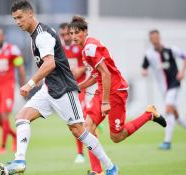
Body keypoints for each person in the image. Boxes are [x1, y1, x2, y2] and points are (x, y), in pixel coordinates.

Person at [8, 1, 119, 175]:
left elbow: (50, 63)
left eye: (20, 17)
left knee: (78, 130)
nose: (17, 22)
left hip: (64, 90)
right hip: (49, 88)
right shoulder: (35, 35)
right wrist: (40, 79)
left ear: (31, 14)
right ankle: (19, 161)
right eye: (15, 19)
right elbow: (47, 64)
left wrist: (30, 83)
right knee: (22, 117)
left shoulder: (42, 35)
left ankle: (110, 167)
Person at [69, 16, 166, 175]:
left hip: (115, 92)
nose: (73, 36)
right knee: (88, 127)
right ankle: (97, 171)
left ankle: (149, 114)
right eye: (71, 33)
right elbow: (96, 75)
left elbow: (106, 74)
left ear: (85, 32)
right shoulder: (86, 48)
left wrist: (105, 102)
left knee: (117, 136)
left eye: (76, 32)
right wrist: (79, 86)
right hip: (103, 90)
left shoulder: (90, 48)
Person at [141, 29, 186, 150]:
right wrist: (144, 72)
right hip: (164, 89)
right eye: (152, 38)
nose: (155, 39)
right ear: (150, 40)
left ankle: (167, 142)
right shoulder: (149, 54)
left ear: (159, 37)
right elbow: (144, 68)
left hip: (174, 84)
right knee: (175, 115)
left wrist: (182, 72)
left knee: (168, 111)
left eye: (156, 37)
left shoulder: (171, 50)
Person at [59, 22, 87, 164]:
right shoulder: (60, 50)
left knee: (79, 121)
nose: (65, 37)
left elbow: (86, 65)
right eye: (62, 34)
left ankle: (80, 154)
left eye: (67, 34)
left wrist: (79, 71)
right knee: (74, 122)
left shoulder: (79, 48)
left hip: (80, 87)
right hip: (66, 89)